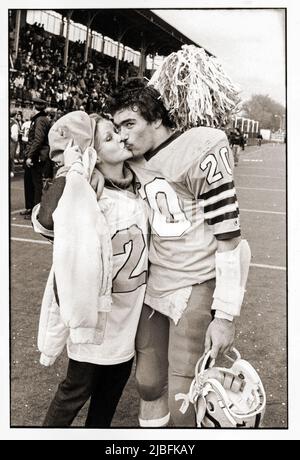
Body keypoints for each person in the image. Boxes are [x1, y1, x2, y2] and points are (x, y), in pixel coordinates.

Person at [109, 47, 251, 428]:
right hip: (153, 286)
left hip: (194, 284)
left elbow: (229, 239)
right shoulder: (129, 160)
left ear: (155, 118)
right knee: (149, 383)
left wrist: (224, 316)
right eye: (116, 127)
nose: (122, 137)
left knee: (184, 394)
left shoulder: (202, 145)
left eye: (128, 124)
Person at [31, 111, 148, 427]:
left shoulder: (141, 187)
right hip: (96, 322)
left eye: (118, 132)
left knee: (108, 399)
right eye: (109, 137)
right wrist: (72, 172)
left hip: (128, 321)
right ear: (94, 153)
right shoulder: (90, 194)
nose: (121, 137)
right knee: (74, 392)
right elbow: (46, 222)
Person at [21, 97, 51, 219]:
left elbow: (38, 140)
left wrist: (30, 156)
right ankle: (30, 208)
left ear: (35, 108)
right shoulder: (41, 119)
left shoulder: (40, 120)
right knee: (29, 181)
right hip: (36, 154)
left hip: (37, 156)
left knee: (35, 183)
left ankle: (35, 211)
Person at [9, 109, 19, 178]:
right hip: (11, 142)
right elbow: (14, 136)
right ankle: (11, 171)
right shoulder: (14, 123)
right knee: (11, 157)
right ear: (15, 115)